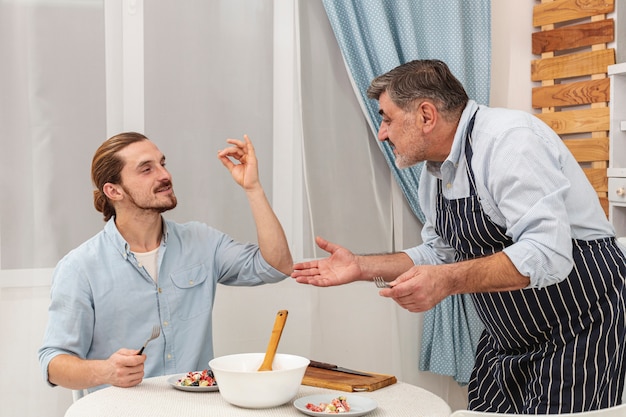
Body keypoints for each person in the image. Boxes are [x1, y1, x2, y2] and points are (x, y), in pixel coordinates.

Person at [292, 59, 626, 414]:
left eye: (387, 118)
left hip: (580, 326)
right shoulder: (434, 173)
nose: (382, 133)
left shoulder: (509, 141)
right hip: (507, 338)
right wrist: (361, 266)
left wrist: (446, 282)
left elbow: (547, 253)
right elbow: (442, 253)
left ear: (425, 115)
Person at [38, 132, 293, 393]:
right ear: (114, 190)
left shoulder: (201, 241)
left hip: (195, 408)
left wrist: (253, 188)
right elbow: (53, 362)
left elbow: (276, 266)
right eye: (146, 169)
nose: (164, 175)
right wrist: (106, 371)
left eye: (162, 163)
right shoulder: (80, 267)